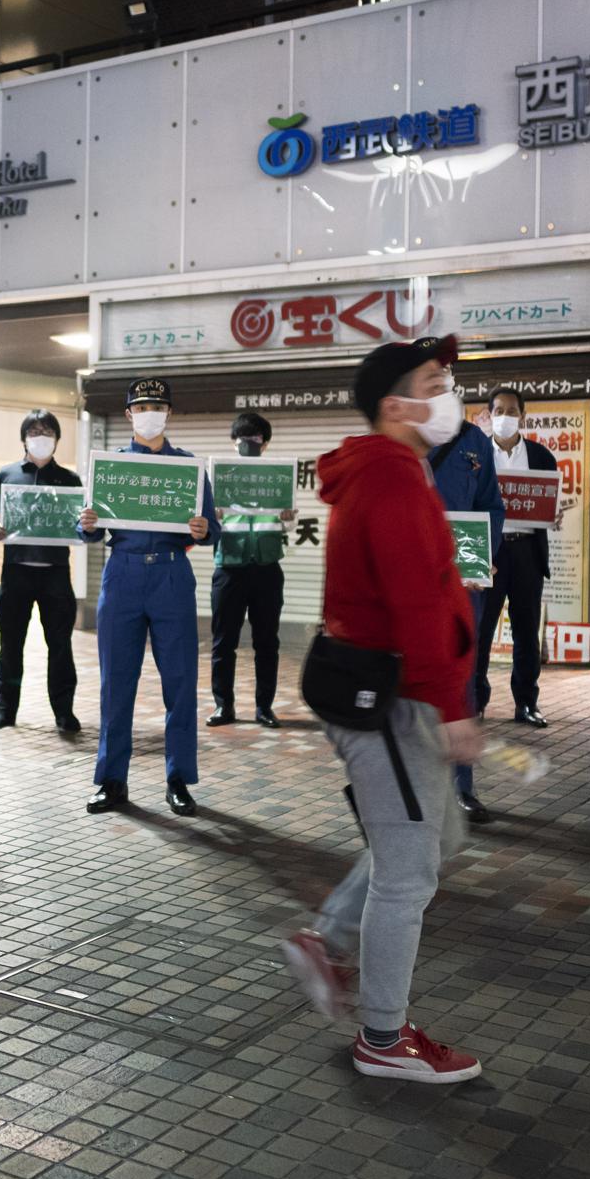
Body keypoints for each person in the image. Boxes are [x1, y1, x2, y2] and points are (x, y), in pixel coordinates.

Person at [280, 334, 484, 1082]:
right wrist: (452, 705)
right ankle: (383, 1039)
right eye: (436, 381)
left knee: (439, 837)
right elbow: (414, 604)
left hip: (400, 692)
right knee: (409, 876)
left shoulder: (396, 469)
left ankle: (327, 941)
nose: (449, 392)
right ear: (397, 405)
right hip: (394, 700)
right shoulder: (394, 480)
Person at [76, 378, 219, 816]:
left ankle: (178, 780)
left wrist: (203, 529)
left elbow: (213, 529)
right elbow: (90, 530)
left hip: (172, 575)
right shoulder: (111, 466)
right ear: (128, 415)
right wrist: (85, 523)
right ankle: (112, 780)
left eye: (157, 405)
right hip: (123, 573)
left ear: (169, 413)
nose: (150, 412)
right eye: (141, 406)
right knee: (116, 683)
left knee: (180, 683)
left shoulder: (189, 469)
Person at [429, 387, 504, 823]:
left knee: (463, 679)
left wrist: (483, 557)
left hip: (463, 586)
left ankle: (463, 787)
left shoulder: (474, 441)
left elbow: (490, 505)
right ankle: (413, 790)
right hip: (409, 586)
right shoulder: (397, 439)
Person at [0, 409, 82, 736]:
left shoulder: (70, 480)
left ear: (56, 439)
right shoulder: (7, 474)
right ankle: (4, 710)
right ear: (24, 437)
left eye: (47, 432)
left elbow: (81, 522)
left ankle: (64, 712)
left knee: (60, 645)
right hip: (16, 573)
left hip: (55, 573)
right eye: (34, 431)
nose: (41, 437)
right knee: (10, 644)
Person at [473, 388, 557, 736]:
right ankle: (475, 701)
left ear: (523, 414)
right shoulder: (474, 455)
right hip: (487, 552)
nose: (505, 416)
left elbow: (549, 501)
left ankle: (526, 702)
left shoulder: (541, 456)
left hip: (526, 552)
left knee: (526, 631)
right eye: (499, 410)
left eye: (512, 410)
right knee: (481, 631)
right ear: (489, 415)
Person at [209, 412, 297, 729]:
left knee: (266, 642)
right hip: (228, 568)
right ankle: (223, 706)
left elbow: (288, 523)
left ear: (266, 443)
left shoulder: (276, 477)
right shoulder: (220, 477)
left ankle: (264, 707)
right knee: (223, 642)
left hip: (267, 567)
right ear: (233, 443)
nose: (249, 444)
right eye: (243, 439)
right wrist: (214, 514)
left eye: (256, 438)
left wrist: (288, 516)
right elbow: (207, 526)